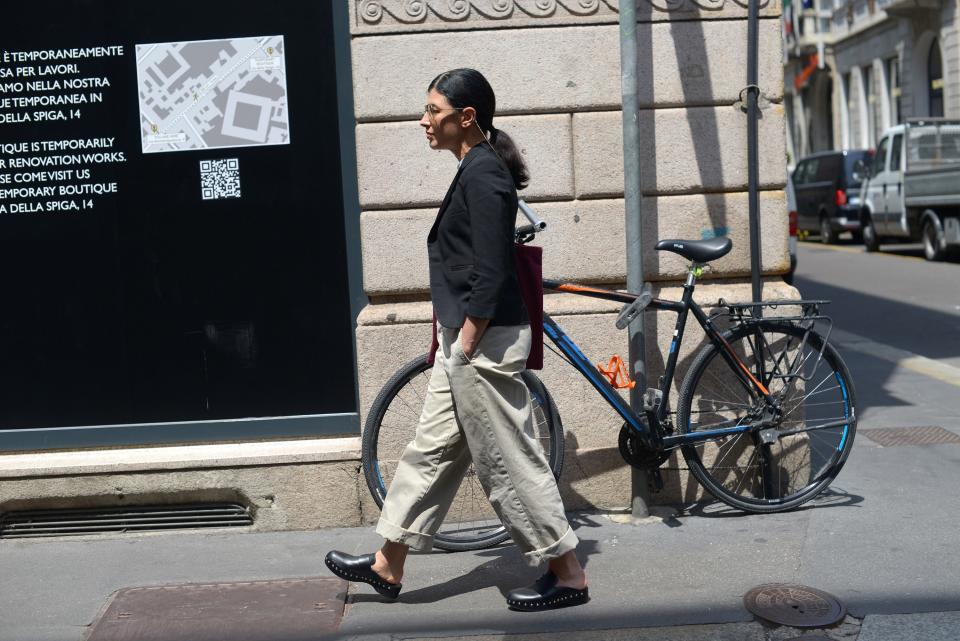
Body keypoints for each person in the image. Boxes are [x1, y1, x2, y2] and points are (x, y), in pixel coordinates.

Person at [325, 68, 588, 612]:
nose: (424, 121)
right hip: (467, 341)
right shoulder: (474, 166)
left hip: (481, 344)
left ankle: (568, 573)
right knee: (432, 450)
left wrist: (467, 337)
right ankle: (387, 564)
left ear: (465, 118)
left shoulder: (484, 174)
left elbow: (493, 268)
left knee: (507, 459)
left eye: (433, 111)